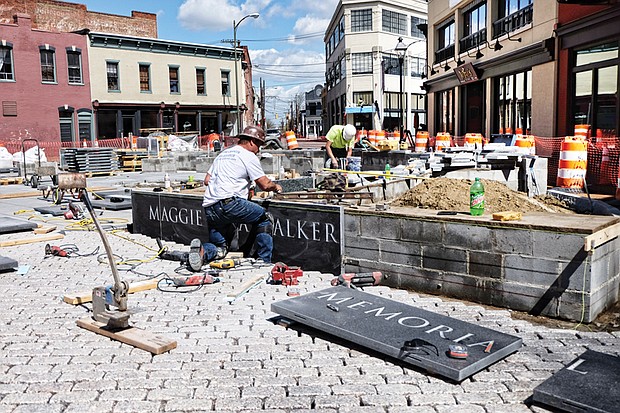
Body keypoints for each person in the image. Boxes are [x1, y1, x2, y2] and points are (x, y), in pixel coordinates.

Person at [200, 125, 283, 264]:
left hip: (210, 206)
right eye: (259, 145)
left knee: (220, 247)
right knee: (265, 218)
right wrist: (276, 187)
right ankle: (264, 261)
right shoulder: (248, 156)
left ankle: (201, 252)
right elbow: (264, 184)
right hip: (230, 203)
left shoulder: (223, 154)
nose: (258, 150)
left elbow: (207, 181)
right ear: (251, 142)